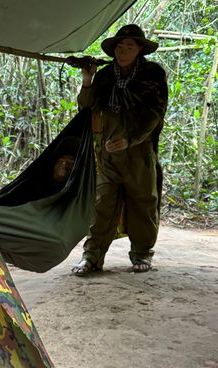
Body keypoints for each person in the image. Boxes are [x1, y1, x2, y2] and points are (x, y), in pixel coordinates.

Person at [72, 24, 168, 275]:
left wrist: (130, 139)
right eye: (120, 46)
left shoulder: (152, 74)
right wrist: (87, 79)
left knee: (143, 203)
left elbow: (155, 114)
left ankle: (142, 253)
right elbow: (87, 108)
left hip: (140, 152)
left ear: (139, 50)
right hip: (109, 152)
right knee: (102, 204)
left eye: (130, 46)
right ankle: (92, 257)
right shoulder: (105, 76)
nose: (123, 51)